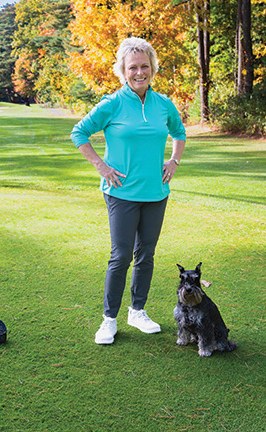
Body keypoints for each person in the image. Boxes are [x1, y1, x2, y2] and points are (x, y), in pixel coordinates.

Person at [70, 37, 186, 345]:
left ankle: (137, 311)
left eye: (144, 66)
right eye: (132, 67)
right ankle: (109, 319)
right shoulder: (112, 104)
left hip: (156, 192)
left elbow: (179, 132)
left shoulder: (164, 104)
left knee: (145, 254)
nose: (139, 72)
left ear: (152, 68)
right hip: (120, 193)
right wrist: (101, 166)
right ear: (123, 70)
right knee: (121, 256)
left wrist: (173, 160)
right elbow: (78, 132)